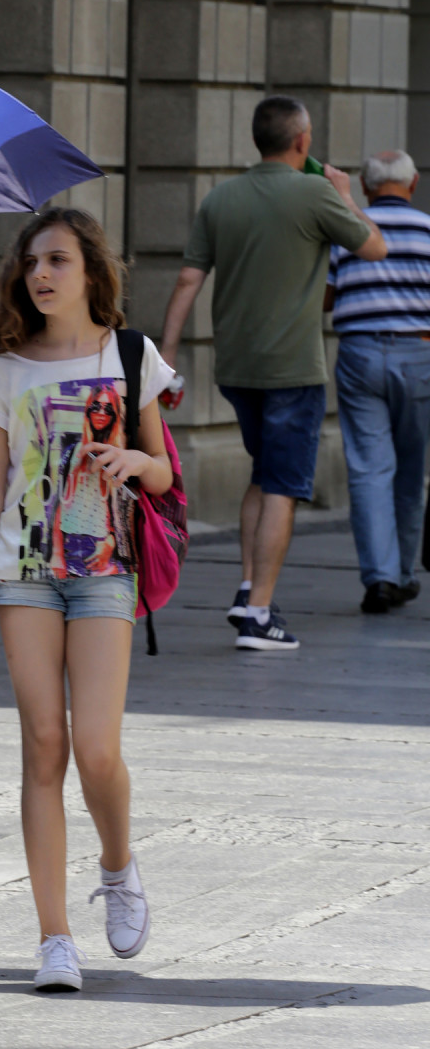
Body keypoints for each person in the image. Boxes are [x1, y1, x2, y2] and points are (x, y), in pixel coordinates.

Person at [0, 207, 175, 993]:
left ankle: (117, 864)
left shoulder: (131, 355)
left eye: (58, 261)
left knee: (96, 750)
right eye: (32, 263)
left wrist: (133, 459)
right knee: (43, 744)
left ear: (90, 272)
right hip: (26, 574)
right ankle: (54, 940)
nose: (41, 275)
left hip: (107, 569)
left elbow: (165, 473)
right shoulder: (5, 369)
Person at [160, 95, 387, 653]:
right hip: (293, 368)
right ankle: (259, 613)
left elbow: (189, 280)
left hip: (236, 366)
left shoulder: (221, 199)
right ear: (303, 142)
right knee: (284, 484)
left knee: (263, 474)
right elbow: (375, 248)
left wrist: (166, 356)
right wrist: (345, 196)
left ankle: (247, 587)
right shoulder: (314, 193)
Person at [325, 151, 430, 613]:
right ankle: (403, 573)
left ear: (366, 188)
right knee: (411, 470)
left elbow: (327, 297)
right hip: (420, 353)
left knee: (369, 469)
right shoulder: (429, 230)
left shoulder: (347, 230)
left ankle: (381, 578)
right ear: (414, 184)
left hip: (360, 352)